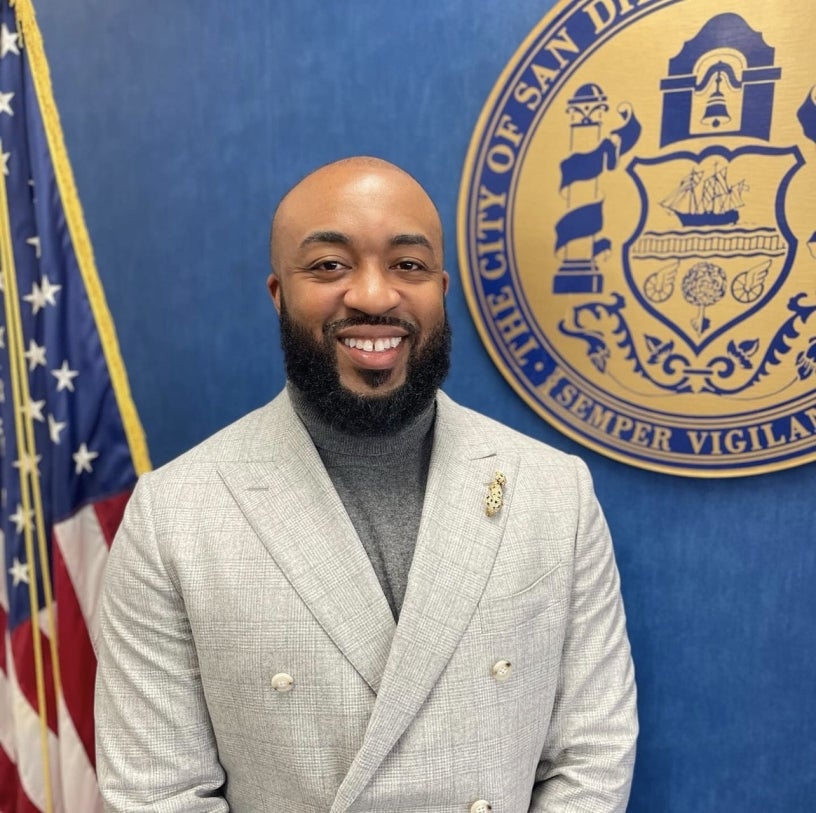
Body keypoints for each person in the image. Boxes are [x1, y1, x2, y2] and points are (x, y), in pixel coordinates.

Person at [95, 156, 638, 812]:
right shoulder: (173, 516)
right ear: (278, 293)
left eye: (407, 265)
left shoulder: (555, 492)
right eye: (329, 265)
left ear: (441, 287)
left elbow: (594, 747)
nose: (374, 296)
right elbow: (160, 793)